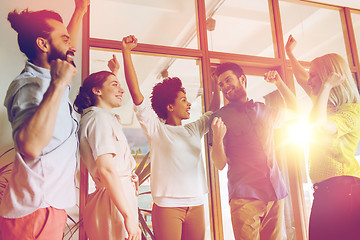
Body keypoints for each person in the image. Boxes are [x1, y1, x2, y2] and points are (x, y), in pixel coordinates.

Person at [0, 1, 89, 239]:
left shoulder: (50, 80)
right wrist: (59, 84)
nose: (72, 46)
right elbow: (29, 145)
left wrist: (79, 11)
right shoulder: (30, 85)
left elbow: (65, 48)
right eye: (65, 39)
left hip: (48, 208)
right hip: (34, 213)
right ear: (42, 44)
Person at [120, 35, 219, 240]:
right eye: (184, 99)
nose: (189, 103)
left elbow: (214, 112)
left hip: (197, 203)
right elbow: (136, 94)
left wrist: (215, 82)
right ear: (170, 106)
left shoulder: (194, 129)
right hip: (168, 206)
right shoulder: (156, 129)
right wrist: (126, 52)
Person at [210, 62, 298, 240]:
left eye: (228, 80)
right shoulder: (220, 116)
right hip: (244, 197)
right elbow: (219, 164)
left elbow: (295, 111)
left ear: (242, 79)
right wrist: (218, 138)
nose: (225, 87)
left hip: (274, 193)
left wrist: (279, 83)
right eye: (221, 85)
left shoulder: (263, 109)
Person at [285, 35, 360, 240]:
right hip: (325, 189)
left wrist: (326, 86)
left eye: (314, 76)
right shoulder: (323, 103)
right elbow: (302, 78)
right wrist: (290, 54)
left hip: (345, 189)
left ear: (329, 77)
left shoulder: (351, 111)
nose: (308, 81)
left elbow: (321, 126)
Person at [74, 61, 142, 240]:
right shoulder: (98, 118)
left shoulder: (102, 117)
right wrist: (127, 216)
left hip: (117, 198)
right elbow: (106, 169)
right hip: (113, 203)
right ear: (97, 91)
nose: (121, 90)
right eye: (115, 85)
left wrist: (114, 74)